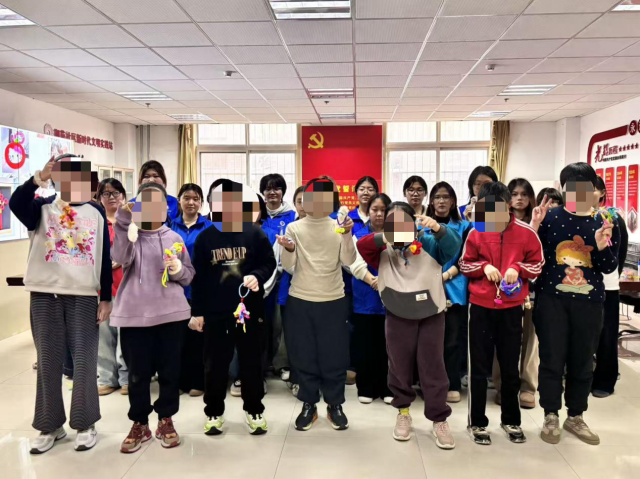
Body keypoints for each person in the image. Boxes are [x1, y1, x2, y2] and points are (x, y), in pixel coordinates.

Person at [10, 156, 113, 454]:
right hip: (45, 293)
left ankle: (85, 423)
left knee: (84, 361)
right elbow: (16, 203)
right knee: (48, 361)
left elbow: (104, 256)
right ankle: (50, 425)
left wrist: (105, 297)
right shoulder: (42, 208)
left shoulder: (95, 211)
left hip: (83, 294)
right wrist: (38, 178)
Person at [357, 201, 461, 448]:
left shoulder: (428, 243)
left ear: (413, 223)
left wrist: (438, 228)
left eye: (403, 222)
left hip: (431, 313)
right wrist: (387, 236)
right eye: (392, 223)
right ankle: (403, 412)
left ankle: (439, 418)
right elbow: (362, 246)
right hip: (397, 311)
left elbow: (453, 247)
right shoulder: (383, 248)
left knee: (433, 366)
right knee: (399, 365)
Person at [531, 163, 619, 446]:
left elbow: (609, 267)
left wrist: (601, 247)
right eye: (572, 187)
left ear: (594, 190)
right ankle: (551, 415)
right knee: (551, 359)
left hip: (589, 303)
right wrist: (534, 226)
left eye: (585, 187)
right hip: (551, 300)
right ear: (564, 189)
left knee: (583, 361)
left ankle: (576, 416)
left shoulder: (604, 221)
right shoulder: (549, 217)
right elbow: (532, 257)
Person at [111, 182, 194, 453]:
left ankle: (166, 419)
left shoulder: (175, 238)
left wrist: (179, 269)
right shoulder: (131, 236)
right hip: (135, 317)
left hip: (171, 316)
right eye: (144, 204)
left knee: (170, 372)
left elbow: (188, 276)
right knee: (138, 375)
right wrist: (124, 220)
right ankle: (140, 422)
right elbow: (118, 256)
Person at [460, 181, 544, 446]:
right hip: (480, 307)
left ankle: (511, 420)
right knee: (478, 367)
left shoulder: (526, 233)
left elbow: (538, 265)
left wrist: (517, 268)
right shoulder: (476, 231)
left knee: (510, 367)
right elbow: (464, 264)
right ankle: (476, 422)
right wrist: (483, 267)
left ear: (508, 206)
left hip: (512, 308)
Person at [190, 180, 276, 436]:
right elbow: (199, 279)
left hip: (249, 311)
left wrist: (257, 276)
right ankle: (214, 411)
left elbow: (269, 263)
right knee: (215, 364)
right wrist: (197, 312)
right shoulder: (205, 238)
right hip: (216, 313)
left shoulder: (254, 233)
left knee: (251, 363)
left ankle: (254, 409)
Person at [277, 177, 357, 431]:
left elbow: (349, 260)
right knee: (304, 355)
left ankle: (335, 404)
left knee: (335, 355)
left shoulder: (338, 226)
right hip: (300, 299)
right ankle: (309, 403)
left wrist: (347, 235)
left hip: (333, 299)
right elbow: (288, 266)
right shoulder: (294, 228)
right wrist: (289, 249)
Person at [491, 178, 539, 409]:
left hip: (531, 291)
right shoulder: (492, 222)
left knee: (530, 341)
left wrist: (536, 225)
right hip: (500, 294)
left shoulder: (539, 221)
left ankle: (528, 387)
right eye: (514, 194)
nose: (519, 198)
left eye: (524, 194)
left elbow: (538, 259)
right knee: (503, 342)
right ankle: (503, 387)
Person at [426, 182, 473, 404]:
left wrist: (444, 277)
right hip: (426, 288)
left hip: (454, 288)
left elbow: (466, 258)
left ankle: (452, 383)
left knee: (452, 340)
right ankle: (430, 383)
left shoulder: (464, 227)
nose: (442, 201)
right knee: (429, 340)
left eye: (446, 197)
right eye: (437, 197)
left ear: (453, 201)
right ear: (431, 201)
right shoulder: (422, 226)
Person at [349, 193, 393, 404]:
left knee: (388, 345)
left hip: (392, 298)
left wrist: (384, 281)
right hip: (365, 296)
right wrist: (374, 281)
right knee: (365, 344)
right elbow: (354, 264)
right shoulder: (358, 234)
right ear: (368, 211)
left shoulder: (397, 235)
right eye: (375, 209)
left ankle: (388, 387)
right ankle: (366, 387)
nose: (379, 214)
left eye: (383, 210)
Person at [170, 183, 213, 397]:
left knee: (199, 338)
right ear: (179, 201)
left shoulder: (209, 227)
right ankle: (179, 381)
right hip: (174, 290)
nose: (191, 202)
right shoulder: (169, 226)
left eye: (196, 198)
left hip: (201, 289)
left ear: (201, 203)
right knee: (177, 339)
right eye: (186, 198)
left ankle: (198, 381)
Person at [591, 176, 628, 398]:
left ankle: (605, 381)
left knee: (606, 334)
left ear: (602, 192)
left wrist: (611, 276)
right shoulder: (574, 217)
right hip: (580, 285)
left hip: (607, 286)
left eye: (591, 189)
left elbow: (619, 256)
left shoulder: (612, 217)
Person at [259, 173, 297, 382]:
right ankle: (263, 363)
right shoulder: (258, 215)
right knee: (262, 322)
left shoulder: (292, 216)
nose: (272, 192)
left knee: (281, 323)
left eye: (276, 188)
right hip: (261, 278)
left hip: (285, 279)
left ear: (283, 192)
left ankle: (282, 363)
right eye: (268, 188)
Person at [96, 178, 129, 396]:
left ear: (123, 196)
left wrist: (122, 259)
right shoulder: (96, 222)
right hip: (102, 289)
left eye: (116, 193)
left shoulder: (130, 221)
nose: (112, 197)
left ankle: (127, 378)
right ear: (99, 198)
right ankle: (107, 378)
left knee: (126, 336)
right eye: (106, 193)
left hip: (127, 287)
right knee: (105, 336)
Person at [278, 185, 306, 397]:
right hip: (292, 290)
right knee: (295, 339)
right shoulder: (290, 228)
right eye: (299, 201)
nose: (304, 205)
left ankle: (313, 379)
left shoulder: (328, 226)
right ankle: (297, 379)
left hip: (320, 292)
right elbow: (284, 262)